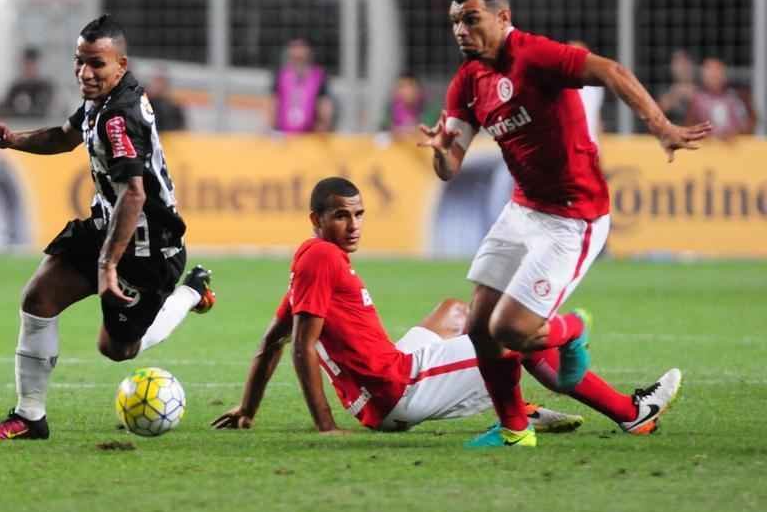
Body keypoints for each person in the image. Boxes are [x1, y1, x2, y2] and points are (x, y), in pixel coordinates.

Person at [418, 0, 708, 448]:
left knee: (511, 329)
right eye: (455, 23)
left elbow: (612, 71)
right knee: (479, 329)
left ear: (503, 17)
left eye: (470, 19)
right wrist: (438, 150)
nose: (461, 31)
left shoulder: (535, 55)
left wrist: (661, 127)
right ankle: (515, 431)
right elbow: (450, 167)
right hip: (522, 210)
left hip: (573, 217)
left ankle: (573, 330)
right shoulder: (468, 81)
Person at [212, 177, 677, 437]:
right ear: (316, 220)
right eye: (340, 216)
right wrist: (325, 427)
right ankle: (628, 413)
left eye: (359, 214)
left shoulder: (309, 263)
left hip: (388, 375)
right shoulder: (321, 258)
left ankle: (518, 405)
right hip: (398, 390)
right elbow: (301, 348)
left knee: (455, 311)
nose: (353, 225)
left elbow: (271, 342)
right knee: (507, 335)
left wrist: (247, 408)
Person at [0, 15, 216, 441]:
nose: (85, 73)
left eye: (96, 64)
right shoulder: (100, 100)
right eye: (79, 61)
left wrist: (107, 265)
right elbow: (65, 137)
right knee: (38, 298)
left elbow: (134, 194)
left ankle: (190, 292)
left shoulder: (119, 117)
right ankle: (30, 416)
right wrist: (13, 140)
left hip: (147, 249)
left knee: (117, 349)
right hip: (108, 226)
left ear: (121, 65)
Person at [268, 38, 333, 134]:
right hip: (284, 135)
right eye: (295, 47)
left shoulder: (319, 76)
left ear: (309, 52)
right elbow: (273, 103)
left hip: (309, 135)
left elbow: (324, 104)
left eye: (301, 47)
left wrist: (323, 125)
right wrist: (271, 128)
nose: (298, 52)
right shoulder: (280, 74)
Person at [688, 57, 754, 138]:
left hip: (737, 144)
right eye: (709, 71)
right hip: (709, 144)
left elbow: (752, 120)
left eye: (717, 70)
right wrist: (707, 135)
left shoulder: (737, 95)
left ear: (724, 74)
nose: (714, 74)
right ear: (703, 76)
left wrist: (738, 132)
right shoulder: (697, 99)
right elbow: (690, 127)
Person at [1, 46, 56, 120]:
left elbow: (48, 111)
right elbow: (6, 109)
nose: (29, 68)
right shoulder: (16, 87)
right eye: (27, 64)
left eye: (32, 64)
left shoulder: (46, 87)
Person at [657, 49, 697, 126]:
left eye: (686, 63)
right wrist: (675, 95)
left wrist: (694, 96)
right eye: (679, 63)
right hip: (673, 129)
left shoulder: (701, 89)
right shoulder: (665, 90)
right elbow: (655, 113)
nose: (683, 67)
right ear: (672, 67)